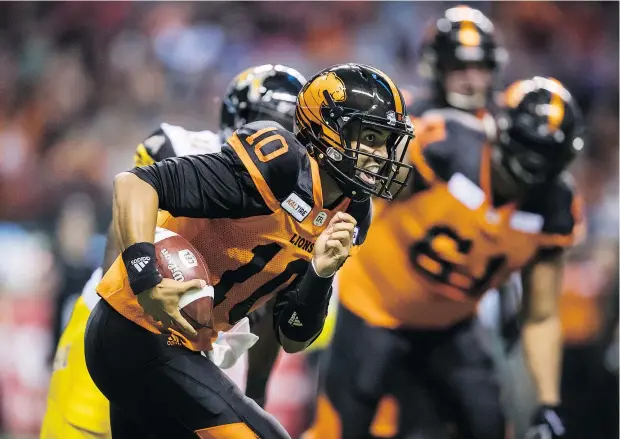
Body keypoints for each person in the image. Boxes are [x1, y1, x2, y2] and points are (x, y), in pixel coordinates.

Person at [84, 63, 414, 438]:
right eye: (370, 137)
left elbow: (293, 336)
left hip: (183, 346)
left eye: (386, 141)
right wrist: (146, 280)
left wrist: (320, 275)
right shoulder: (279, 164)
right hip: (137, 327)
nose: (381, 153)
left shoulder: (352, 212)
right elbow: (136, 184)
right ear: (329, 130)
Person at [304, 75, 585, 439]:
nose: (533, 163)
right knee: (341, 428)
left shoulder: (556, 208)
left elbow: (541, 314)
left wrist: (548, 403)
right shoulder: (445, 145)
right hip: (372, 305)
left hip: (452, 325)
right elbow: (367, 183)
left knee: (487, 422)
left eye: (546, 155)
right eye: (529, 147)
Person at [40, 63, 307, 439]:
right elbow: (118, 256)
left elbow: (266, 319)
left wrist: (256, 392)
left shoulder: (302, 207)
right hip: (124, 318)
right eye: (271, 125)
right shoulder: (179, 148)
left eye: (292, 130)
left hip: (200, 345)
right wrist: (148, 283)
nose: (281, 139)